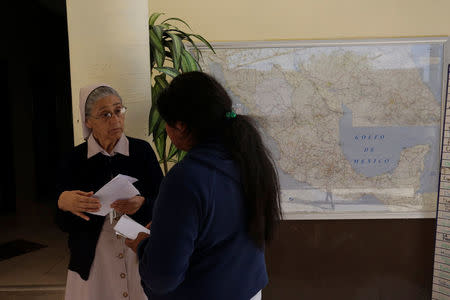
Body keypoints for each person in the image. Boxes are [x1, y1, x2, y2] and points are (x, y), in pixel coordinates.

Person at [125, 71, 282, 300]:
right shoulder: (249, 159)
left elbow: (162, 277)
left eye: (166, 123)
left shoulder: (185, 179)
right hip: (247, 290)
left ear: (180, 126)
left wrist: (143, 245)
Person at [56, 84, 163, 300]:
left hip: (136, 252)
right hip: (94, 260)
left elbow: (163, 205)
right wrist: (63, 203)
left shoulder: (141, 151)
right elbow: (62, 222)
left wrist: (142, 204)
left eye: (118, 110)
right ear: (88, 121)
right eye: (105, 114)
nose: (115, 119)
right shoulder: (73, 159)